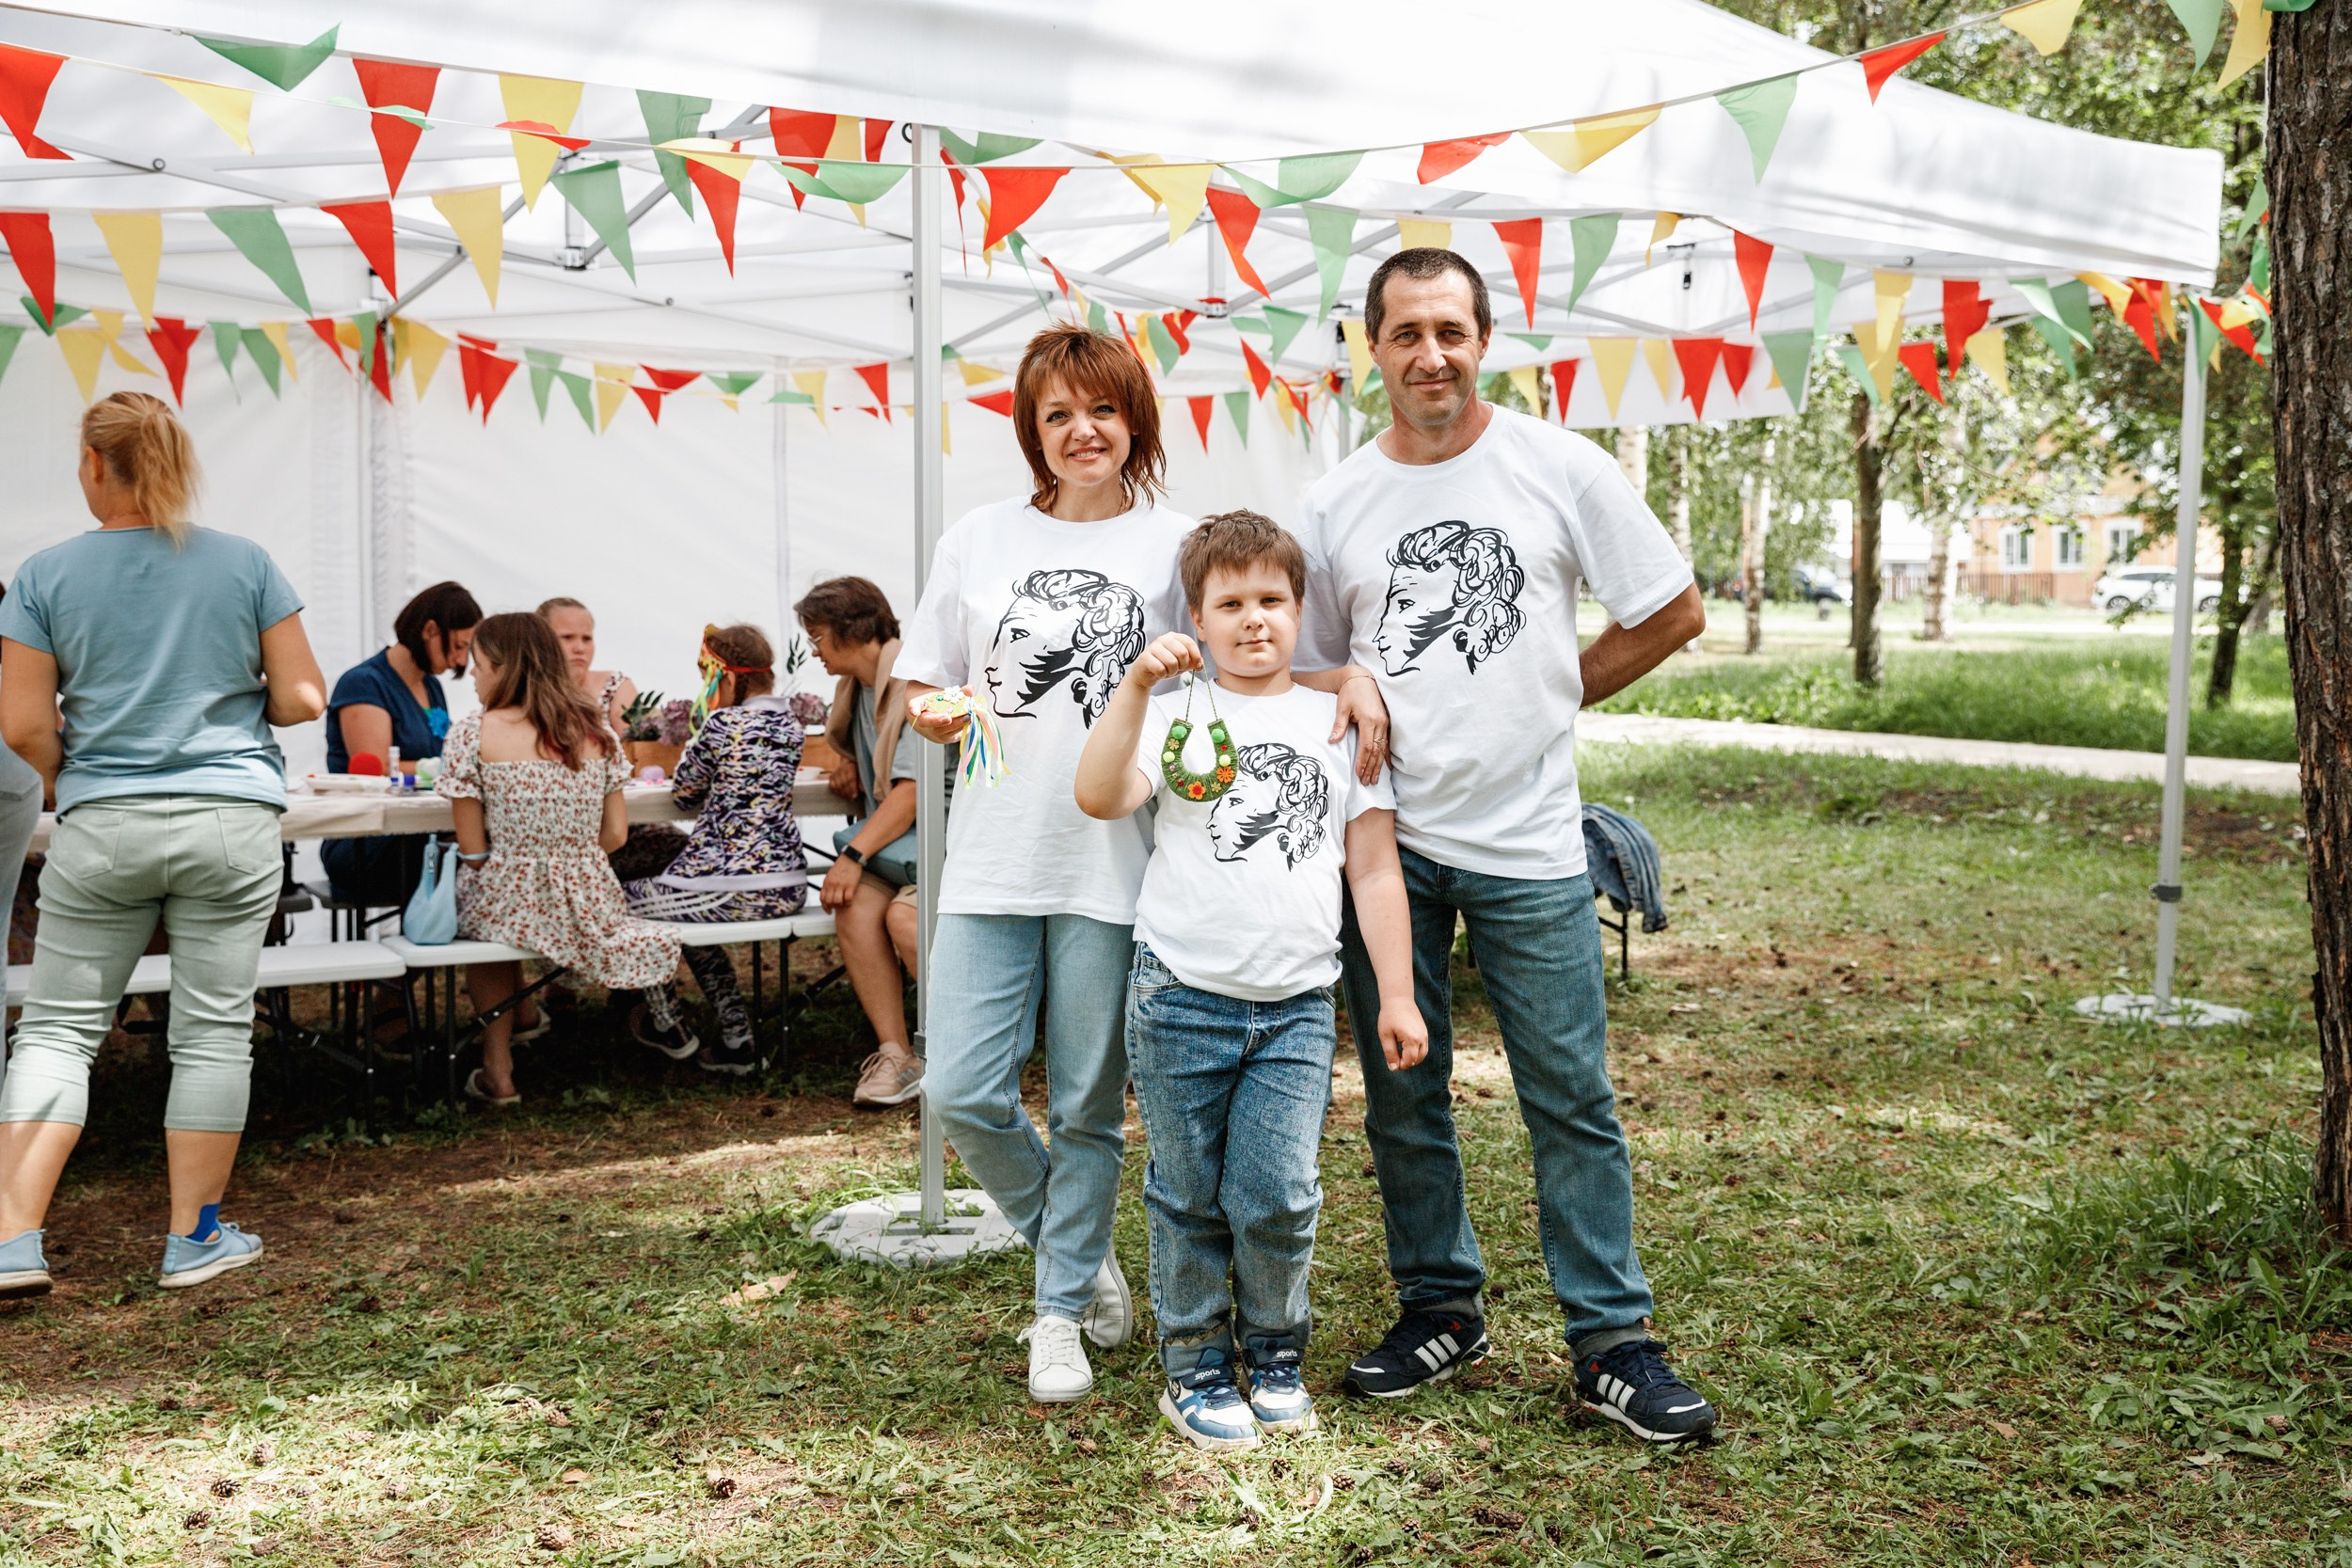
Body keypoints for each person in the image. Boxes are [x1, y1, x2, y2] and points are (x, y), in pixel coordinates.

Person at [1295, 248, 1717, 1443]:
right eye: (1405, 332)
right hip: (1385, 843)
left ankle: (1611, 1343)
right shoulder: (1334, 503)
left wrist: (1554, 690)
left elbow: (1671, 608)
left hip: (1530, 841)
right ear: (1370, 348)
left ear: (1484, 340)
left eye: (1450, 330)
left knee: (1568, 1094)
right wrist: (1347, 687)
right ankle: (1440, 1306)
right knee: (1400, 1091)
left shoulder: (1557, 464)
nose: (1430, 354)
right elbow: (1303, 663)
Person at [1074, 510, 1425, 1451]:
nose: (1254, 618)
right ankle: (1194, 1362)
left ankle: (1273, 1351)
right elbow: (1100, 795)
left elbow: (1373, 867)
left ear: (1300, 609)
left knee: (1278, 1192)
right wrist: (1134, 686)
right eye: (1229, 604)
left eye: (1271, 598)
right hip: (1179, 993)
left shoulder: (1336, 720)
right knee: (1187, 1192)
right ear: (1196, 616)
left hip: (1296, 1006)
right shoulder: (1175, 713)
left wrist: (1396, 992)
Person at [894, 324, 1194, 1403]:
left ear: (1134, 421)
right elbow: (922, 680)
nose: (1082, 430)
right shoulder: (978, 537)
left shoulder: (1178, 546)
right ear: (1031, 427)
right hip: (990, 853)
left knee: (1085, 1104)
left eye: (1102, 408)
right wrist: (935, 712)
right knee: (962, 1089)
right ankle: (1077, 1244)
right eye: (1058, 412)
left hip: (1114, 863)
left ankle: (1058, 1309)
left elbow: (1227, 680)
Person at [0, 391, 327, 1299]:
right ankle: (195, 1238)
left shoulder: (43, 575)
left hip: (105, 821)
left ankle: (12, 1240)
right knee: (213, 1031)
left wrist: (74, 774)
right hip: (231, 819)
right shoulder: (244, 561)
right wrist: (228, 698)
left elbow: (21, 723)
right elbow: (304, 697)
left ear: (94, 463)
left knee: (58, 1032)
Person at [436, 613, 688, 1106]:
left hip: (505, 899)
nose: (473, 676)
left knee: (486, 930)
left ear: (505, 668)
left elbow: (473, 851)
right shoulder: (596, 732)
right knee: (499, 923)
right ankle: (527, 1016)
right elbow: (616, 835)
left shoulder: (471, 734)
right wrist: (570, 862)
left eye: (478, 665)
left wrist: (521, 866)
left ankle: (498, 1068)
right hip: (589, 901)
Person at [621, 623, 808, 1076]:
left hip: (732, 885)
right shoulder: (792, 724)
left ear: (726, 678)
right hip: (788, 884)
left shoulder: (722, 724)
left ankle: (665, 1019)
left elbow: (684, 794)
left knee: (615, 901)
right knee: (685, 913)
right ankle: (736, 1038)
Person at [794, 576, 927, 1110]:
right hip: (899, 850)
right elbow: (877, 757)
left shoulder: (917, 681)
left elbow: (911, 794)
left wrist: (850, 855)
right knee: (852, 906)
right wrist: (849, 760)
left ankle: (961, 1053)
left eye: (818, 637)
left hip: (945, 848)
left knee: (903, 918)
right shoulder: (859, 688)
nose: (815, 651)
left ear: (852, 631)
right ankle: (897, 1055)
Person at [320, 580, 483, 907]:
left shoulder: (431, 687)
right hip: (367, 842)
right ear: (430, 630)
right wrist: (440, 768)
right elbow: (377, 768)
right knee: (471, 859)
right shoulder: (363, 683)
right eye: (458, 646)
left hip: (418, 833)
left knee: (479, 849)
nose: (460, 661)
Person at [539, 596, 638, 734]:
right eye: (567, 637)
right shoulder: (521, 692)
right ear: (541, 639)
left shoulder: (615, 687)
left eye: (587, 639)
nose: (580, 648)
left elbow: (638, 745)